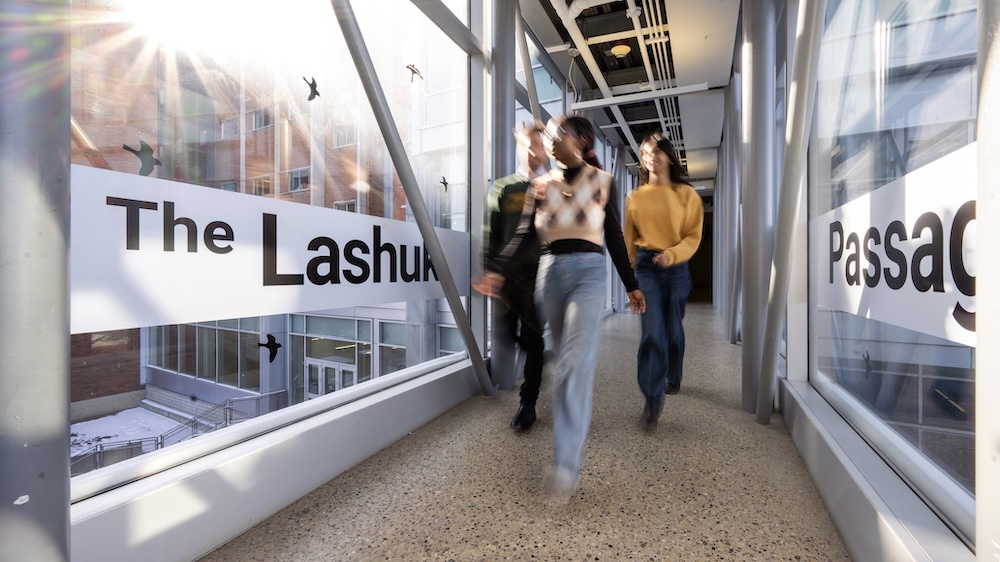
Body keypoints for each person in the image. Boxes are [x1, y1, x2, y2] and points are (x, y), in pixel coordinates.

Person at [475, 114, 645, 501]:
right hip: (549, 275)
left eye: (559, 134)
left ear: (582, 139)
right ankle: (566, 442)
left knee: (573, 365)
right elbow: (521, 234)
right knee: (567, 359)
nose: (551, 140)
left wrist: (631, 285)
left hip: (588, 273)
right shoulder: (541, 184)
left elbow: (614, 237)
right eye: (548, 135)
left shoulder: (603, 182)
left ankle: (565, 464)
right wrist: (496, 269)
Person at [624, 132, 704, 429]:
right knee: (652, 331)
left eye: (656, 151)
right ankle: (652, 399)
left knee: (672, 331)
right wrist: (631, 282)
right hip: (646, 268)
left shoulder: (687, 196)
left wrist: (672, 255)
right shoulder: (635, 197)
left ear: (669, 155)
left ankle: (675, 375)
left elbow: (693, 237)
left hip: (677, 268)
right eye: (645, 152)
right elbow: (629, 241)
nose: (650, 156)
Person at [484, 121, 548, 431]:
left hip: (538, 273)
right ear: (519, 146)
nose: (533, 149)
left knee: (534, 337)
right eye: (528, 143)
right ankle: (538, 356)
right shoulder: (502, 186)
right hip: (505, 274)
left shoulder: (552, 186)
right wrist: (489, 270)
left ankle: (528, 403)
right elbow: (491, 231)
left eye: (538, 143)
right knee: (506, 335)